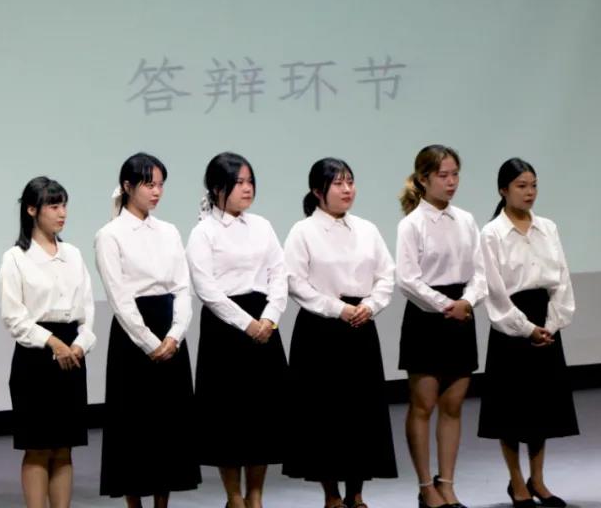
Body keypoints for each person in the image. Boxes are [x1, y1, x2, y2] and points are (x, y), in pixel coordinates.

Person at [282, 158, 397, 508]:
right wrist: (337, 308)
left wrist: (371, 305)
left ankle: (357, 493)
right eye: (338, 183)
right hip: (320, 330)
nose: (347, 189)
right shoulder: (303, 231)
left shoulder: (367, 229)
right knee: (325, 415)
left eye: (350, 181)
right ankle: (331, 494)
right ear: (318, 191)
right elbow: (295, 282)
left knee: (361, 413)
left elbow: (386, 275)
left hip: (360, 326)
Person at [94, 153, 201, 507]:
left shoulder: (169, 231)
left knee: (168, 427)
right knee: (134, 426)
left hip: (170, 331)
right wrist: (150, 342)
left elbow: (182, 287)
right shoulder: (110, 235)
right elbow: (119, 297)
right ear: (127, 186)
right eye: (148, 184)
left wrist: (175, 335)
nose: (156, 192)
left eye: (160, 185)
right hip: (134, 338)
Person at [186, 152, 289, 508]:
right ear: (218, 188)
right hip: (226, 330)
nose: (247, 189)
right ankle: (234, 497)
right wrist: (247, 323)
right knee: (228, 418)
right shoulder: (204, 232)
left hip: (264, 324)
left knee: (262, 416)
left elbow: (279, 273)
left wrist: (270, 316)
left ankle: (255, 495)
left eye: (250, 181)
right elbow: (207, 288)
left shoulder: (262, 225)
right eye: (239, 182)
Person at [477, 159, 578, 508]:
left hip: (545, 320)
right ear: (503, 190)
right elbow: (494, 290)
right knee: (510, 411)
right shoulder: (491, 233)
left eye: (533, 185)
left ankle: (538, 479)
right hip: (511, 326)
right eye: (521, 186)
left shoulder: (548, 227)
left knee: (541, 410)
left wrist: (552, 323)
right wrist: (525, 328)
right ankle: (517, 481)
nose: (529, 192)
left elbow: (562, 278)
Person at [396, 144, 486, 508]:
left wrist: (468, 301)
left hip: (461, 313)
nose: (451, 182)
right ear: (423, 179)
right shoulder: (412, 224)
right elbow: (407, 279)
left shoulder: (466, 220)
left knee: (453, 405)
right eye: (443, 175)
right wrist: (445, 305)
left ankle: (447, 483)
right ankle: (425, 486)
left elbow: (480, 272)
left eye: (455, 175)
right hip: (427, 318)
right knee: (423, 405)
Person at [0, 176, 96, 508]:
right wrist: (52, 342)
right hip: (36, 356)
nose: (62, 213)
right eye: (53, 206)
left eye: (64, 205)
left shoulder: (73, 254)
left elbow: (87, 309)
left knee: (64, 447)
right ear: (32, 210)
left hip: (73, 352)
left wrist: (81, 342)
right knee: (38, 447)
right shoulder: (16, 257)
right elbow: (14, 317)